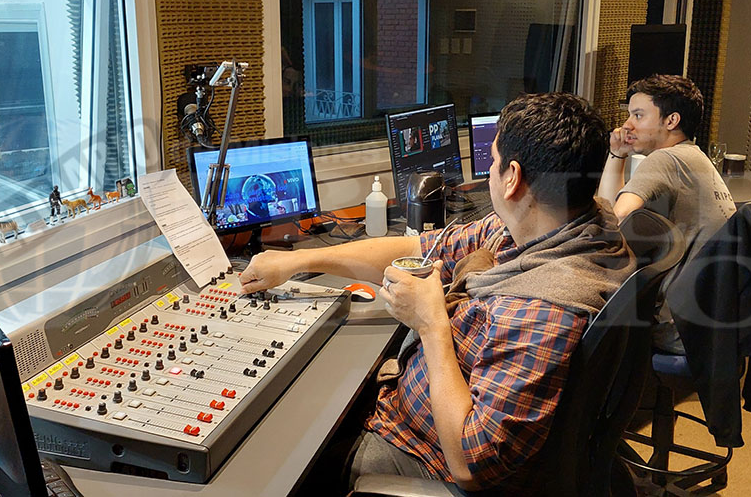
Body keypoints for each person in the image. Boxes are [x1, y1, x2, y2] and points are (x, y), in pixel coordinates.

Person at [240, 93, 635, 494]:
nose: (489, 172)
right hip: (412, 411)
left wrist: (431, 325)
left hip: (423, 457)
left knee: (282, 460)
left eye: (494, 162)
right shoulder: (560, 226)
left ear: (512, 178)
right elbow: (421, 249)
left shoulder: (541, 308)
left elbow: (471, 464)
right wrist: (298, 261)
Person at [596, 74, 737, 353]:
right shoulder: (694, 157)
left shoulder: (666, 159)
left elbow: (614, 220)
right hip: (712, 324)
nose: (627, 125)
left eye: (638, 115)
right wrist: (618, 153)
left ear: (671, 121)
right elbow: (613, 211)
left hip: (677, 328)